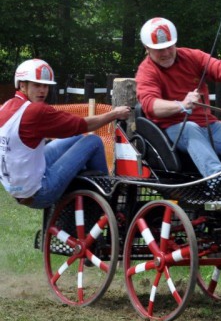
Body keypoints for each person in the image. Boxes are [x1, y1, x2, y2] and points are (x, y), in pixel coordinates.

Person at [135, 17, 221, 185]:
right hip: (173, 130)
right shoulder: (146, 71)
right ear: (147, 48)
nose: (166, 53)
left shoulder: (192, 57)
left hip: (208, 127)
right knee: (190, 129)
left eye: (169, 47)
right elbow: (150, 106)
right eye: (159, 49)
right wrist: (181, 105)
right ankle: (220, 183)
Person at [0, 58, 131, 209]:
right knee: (93, 141)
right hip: (40, 192)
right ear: (22, 85)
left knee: (77, 139)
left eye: (46, 86)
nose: (43, 90)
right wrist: (113, 114)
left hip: (16, 186)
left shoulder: (6, 107)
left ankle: (85, 182)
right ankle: (108, 196)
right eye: (37, 85)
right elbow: (83, 125)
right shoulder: (35, 111)